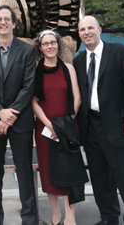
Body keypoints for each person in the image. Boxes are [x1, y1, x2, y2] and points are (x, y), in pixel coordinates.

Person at [73, 16, 124, 225]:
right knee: (100, 179)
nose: (86, 32)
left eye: (90, 28)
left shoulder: (120, 52)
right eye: (82, 29)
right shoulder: (78, 61)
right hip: (91, 128)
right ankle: (109, 218)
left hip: (118, 127)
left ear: (99, 30)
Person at [0, 5, 38, 225]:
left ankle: (29, 218)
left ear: (13, 24)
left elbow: (29, 85)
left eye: (7, 19)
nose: (3, 22)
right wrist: (0, 113)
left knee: (24, 172)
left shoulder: (27, 50)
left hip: (20, 122)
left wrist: (10, 116)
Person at [32, 30, 88, 225]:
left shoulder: (68, 68)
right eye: (45, 43)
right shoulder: (35, 71)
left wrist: (64, 124)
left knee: (69, 172)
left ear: (58, 44)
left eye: (53, 42)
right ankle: (56, 214)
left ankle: (70, 217)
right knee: (49, 174)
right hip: (45, 130)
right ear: (40, 47)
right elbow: (34, 102)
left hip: (67, 128)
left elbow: (77, 98)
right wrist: (50, 125)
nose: (50, 46)